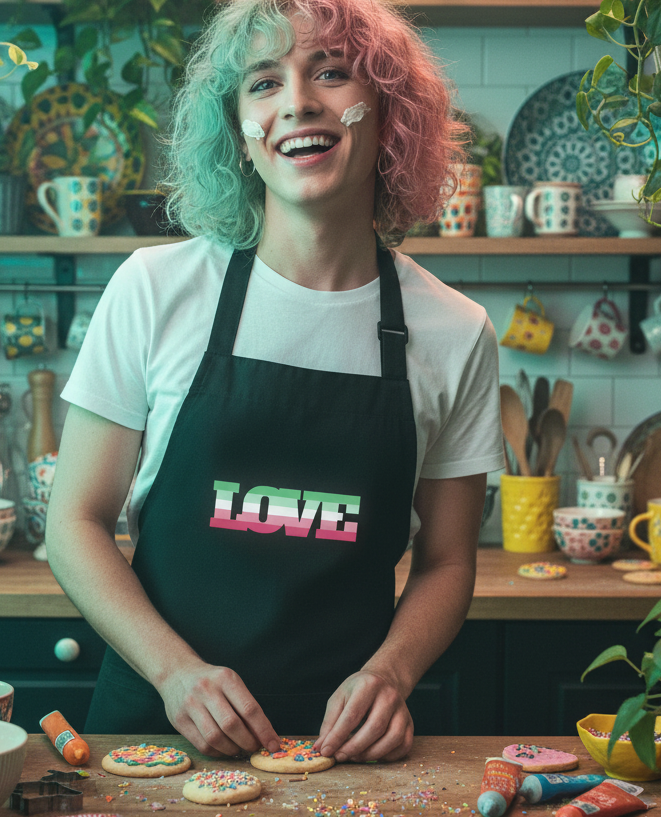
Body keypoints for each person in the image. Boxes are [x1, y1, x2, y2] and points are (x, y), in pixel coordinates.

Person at [47, 0, 504, 764]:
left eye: (330, 72)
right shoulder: (156, 290)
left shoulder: (455, 332)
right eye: (263, 82)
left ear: (389, 113)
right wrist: (175, 672)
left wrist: (390, 674)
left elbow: (449, 559)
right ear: (238, 134)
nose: (296, 101)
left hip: (343, 750)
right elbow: (74, 524)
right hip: (150, 736)